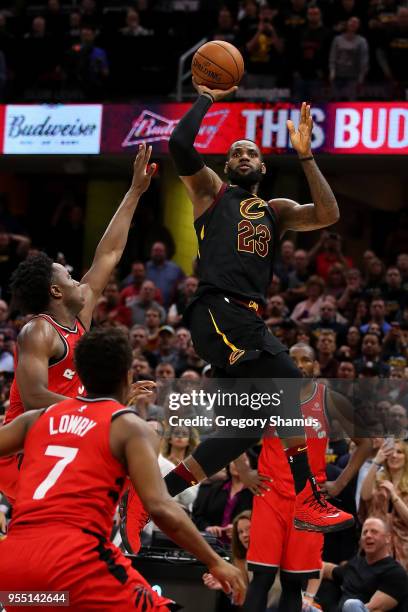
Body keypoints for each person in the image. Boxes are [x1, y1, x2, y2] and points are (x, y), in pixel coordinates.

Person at [155, 83, 353, 532]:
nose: (244, 157)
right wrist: (207, 97)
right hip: (218, 309)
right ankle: (309, 498)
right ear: (227, 165)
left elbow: (327, 214)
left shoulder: (275, 210)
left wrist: (306, 156)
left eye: (252, 154)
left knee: (242, 432)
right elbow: (179, 144)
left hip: (242, 319)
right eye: (237, 153)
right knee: (290, 380)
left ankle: (153, 498)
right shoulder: (211, 192)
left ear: (263, 167)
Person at [0, 328, 246, 610]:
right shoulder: (129, 427)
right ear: (128, 375)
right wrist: (215, 561)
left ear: (79, 374)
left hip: (13, 570)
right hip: (73, 562)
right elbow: (161, 507)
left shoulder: (36, 418)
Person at [0, 144, 156, 506]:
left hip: (62, 438)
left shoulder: (79, 318)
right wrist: (103, 408)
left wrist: (135, 191)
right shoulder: (38, 330)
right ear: (56, 291)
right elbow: (36, 396)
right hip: (20, 452)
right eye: (70, 277)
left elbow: (110, 253)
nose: (78, 281)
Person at [243, 344, 371, 612]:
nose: (299, 364)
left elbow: (365, 442)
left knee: (293, 583)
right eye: (293, 360)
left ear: (316, 367)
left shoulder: (329, 399)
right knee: (262, 578)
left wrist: (338, 484)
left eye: (306, 360)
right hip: (270, 494)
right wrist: (243, 470)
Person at [321, 517, 408, 611]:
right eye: (365, 532)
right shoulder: (355, 564)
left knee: (351, 605)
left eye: (374, 532)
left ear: (387, 538)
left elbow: (373, 609)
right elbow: (325, 568)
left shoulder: (395, 573)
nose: (368, 535)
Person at [360, 439, 408, 570]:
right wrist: (376, 462)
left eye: (399, 452)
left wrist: (394, 495)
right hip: (377, 547)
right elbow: (365, 495)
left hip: (403, 549)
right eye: (391, 452)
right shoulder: (379, 479)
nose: (394, 455)